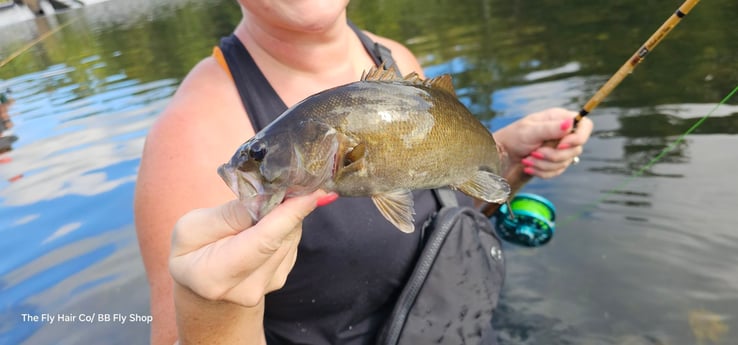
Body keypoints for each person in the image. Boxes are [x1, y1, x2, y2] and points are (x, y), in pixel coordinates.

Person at [134, 0, 594, 344]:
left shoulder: (393, 57)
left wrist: (508, 160)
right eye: (257, 153)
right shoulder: (186, 132)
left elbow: (445, 217)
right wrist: (214, 313)